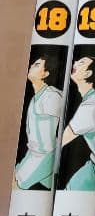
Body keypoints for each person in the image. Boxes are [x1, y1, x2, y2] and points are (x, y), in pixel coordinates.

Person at [14, 55, 62, 190]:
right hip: (33, 153)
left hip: (45, 156)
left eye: (37, 65)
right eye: (33, 64)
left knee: (15, 185)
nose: (31, 66)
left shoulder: (52, 96)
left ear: (45, 74)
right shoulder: (35, 98)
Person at [62, 55, 95, 191]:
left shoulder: (90, 106)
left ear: (88, 74)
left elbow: (61, 141)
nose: (75, 62)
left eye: (81, 63)